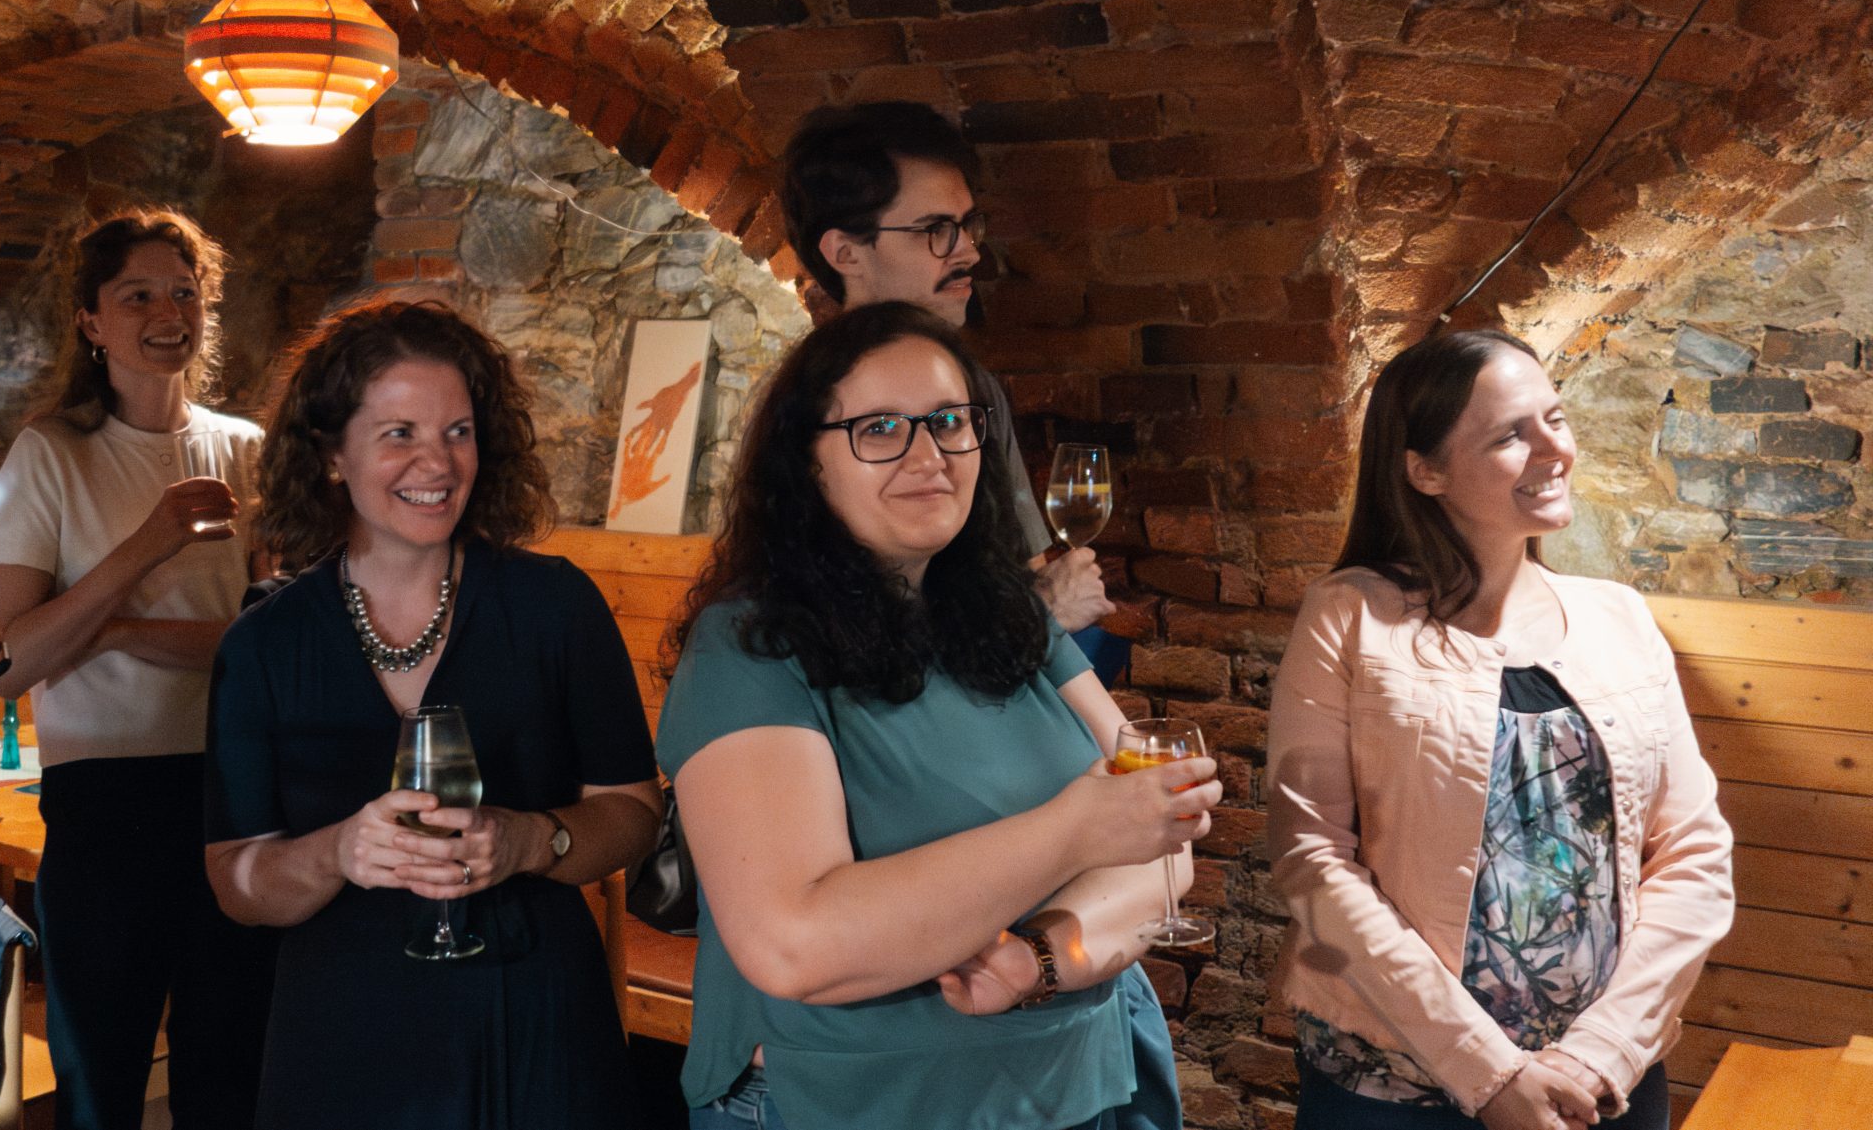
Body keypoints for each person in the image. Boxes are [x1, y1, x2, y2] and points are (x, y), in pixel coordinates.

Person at [658, 301, 1209, 1130]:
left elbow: (1159, 842)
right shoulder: (751, 646)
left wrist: (1041, 955)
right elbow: (794, 943)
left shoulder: (1006, 612)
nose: (929, 456)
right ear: (807, 462)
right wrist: (1074, 831)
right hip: (863, 1107)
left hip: (1075, 1091)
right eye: (880, 428)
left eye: (950, 422)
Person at [203, 299, 664, 1130]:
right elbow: (236, 880)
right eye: (399, 433)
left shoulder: (556, 606)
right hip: (344, 1037)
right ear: (331, 454)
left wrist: (532, 839)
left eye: (458, 431)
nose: (438, 462)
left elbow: (633, 811)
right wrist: (338, 851)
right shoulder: (263, 644)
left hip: (535, 1022)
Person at [1266, 330, 1736, 1130]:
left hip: (1601, 1087)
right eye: (1511, 434)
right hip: (1395, 1088)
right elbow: (1312, 860)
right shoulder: (1350, 616)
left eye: (1556, 417)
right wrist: (1487, 1072)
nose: (1555, 449)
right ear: (1425, 470)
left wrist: (1602, 1051)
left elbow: (1694, 851)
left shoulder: (1618, 616)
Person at [0, 207, 277, 1130]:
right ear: (91, 320)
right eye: (138, 295)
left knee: (229, 1076)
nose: (167, 313)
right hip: (103, 803)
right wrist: (150, 542)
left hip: (234, 789)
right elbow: (2, 666)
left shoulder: (247, 449)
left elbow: (266, 647)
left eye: (185, 292)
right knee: (100, 1082)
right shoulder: (50, 452)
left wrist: (112, 629)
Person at [779, 102, 1114, 648]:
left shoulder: (974, 388)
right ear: (845, 252)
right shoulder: (802, 404)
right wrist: (1046, 611)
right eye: (935, 230)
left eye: (966, 226)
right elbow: (832, 630)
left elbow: (1018, 573)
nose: (969, 252)